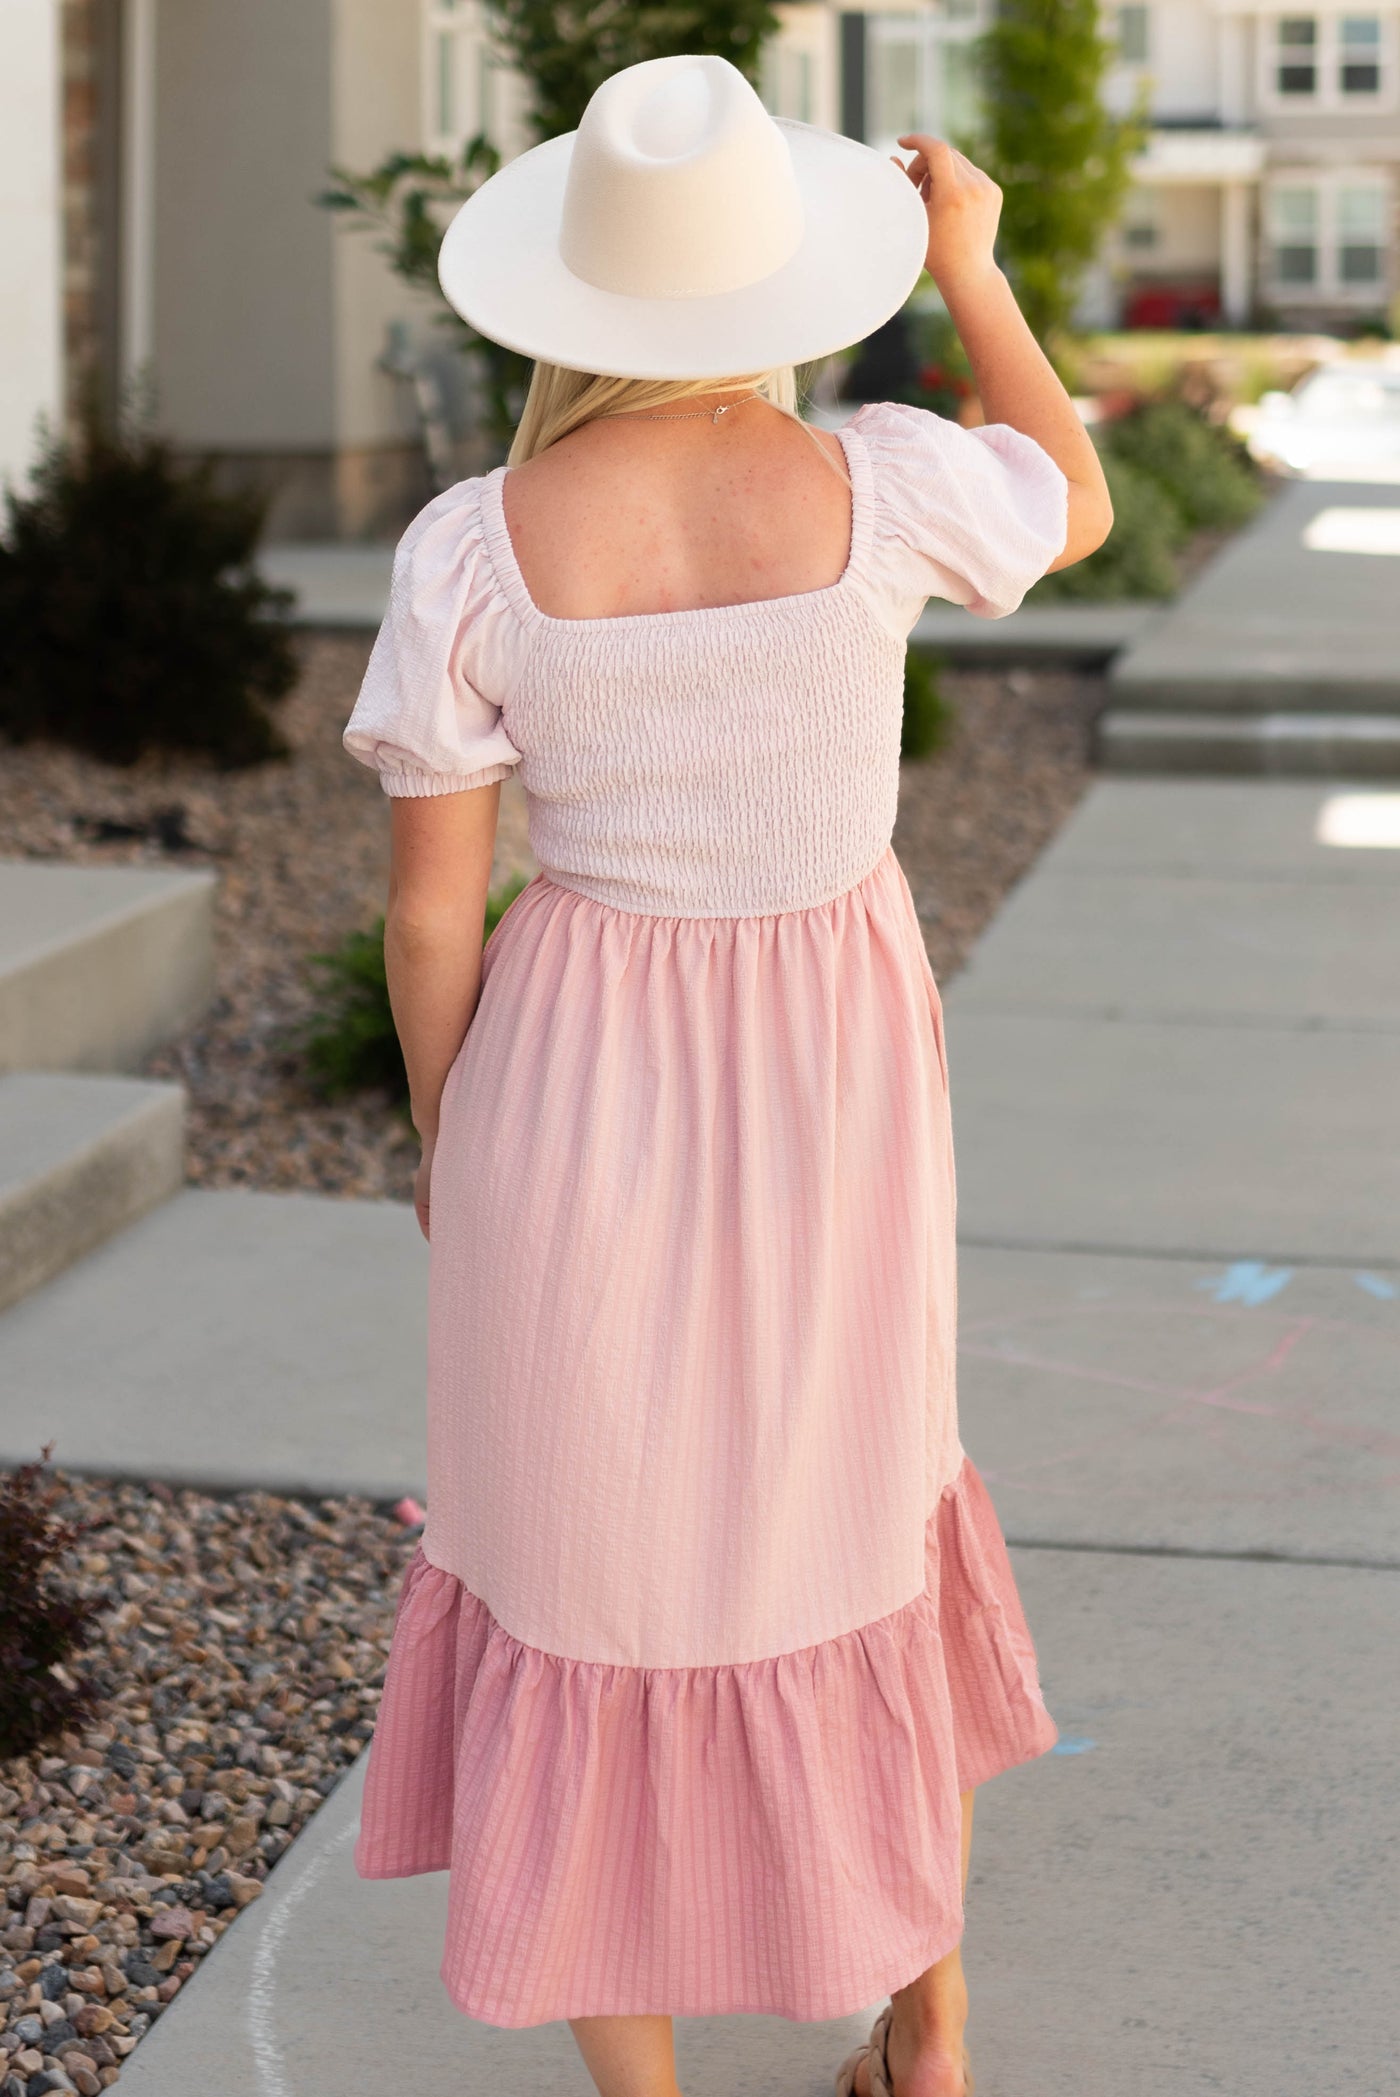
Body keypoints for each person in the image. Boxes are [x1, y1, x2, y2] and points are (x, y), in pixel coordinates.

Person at [341, 52, 1112, 2097]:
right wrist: (971, 270)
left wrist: (451, 1129)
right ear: (779, 282)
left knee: (585, 1549)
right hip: (836, 1079)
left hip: (571, 1079)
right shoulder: (879, 480)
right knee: (860, 1531)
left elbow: (432, 918)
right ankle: (926, 2037)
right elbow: (1078, 494)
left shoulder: (474, 547)